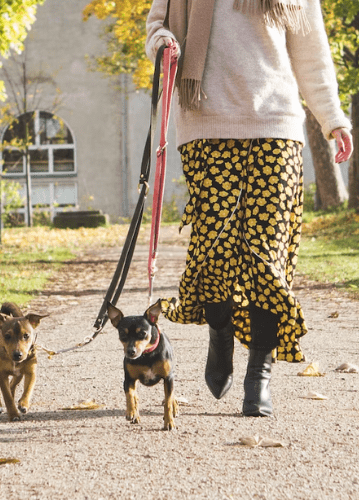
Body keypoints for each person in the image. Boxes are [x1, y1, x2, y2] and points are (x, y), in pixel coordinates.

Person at [146, 0, 354, 417]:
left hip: (276, 125)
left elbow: (311, 51)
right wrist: (164, 42)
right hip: (206, 125)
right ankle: (220, 329)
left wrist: (333, 118)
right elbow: (157, 27)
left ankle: (259, 373)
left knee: (267, 257)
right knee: (215, 252)